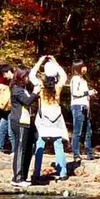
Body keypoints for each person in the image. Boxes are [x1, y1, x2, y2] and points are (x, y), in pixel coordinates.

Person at [31, 55, 69, 183]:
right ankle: (62, 172)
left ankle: (36, 173)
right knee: (58, 146)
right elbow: (64, 76)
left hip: (43, 119)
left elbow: (32, 75)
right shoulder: (58, 87)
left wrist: (40, 61)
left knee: (40, 146)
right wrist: (56, 62)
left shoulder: (40, 86)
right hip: (56, 118)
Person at [9, 63, 41, 187]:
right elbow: (27, 101)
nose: (28, 78)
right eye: (26, 76)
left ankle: (23, 176)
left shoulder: (23, 89)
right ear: (21, 76)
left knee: (29, 148)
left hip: (27, 122)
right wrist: (35, 92)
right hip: (19, 122)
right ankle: (17, 178)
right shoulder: (16, 89)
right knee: (20, 149)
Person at [70, 59, 97, 162]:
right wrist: (88, 92)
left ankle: (89, 153)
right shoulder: (75, 79)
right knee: (78, 131)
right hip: (78, 107)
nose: (85, 68)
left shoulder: (83, 80)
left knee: (87, 132)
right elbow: (75, 93)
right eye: (83, 66)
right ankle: (76, 154)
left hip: (85, 107)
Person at [0, 65, 16, 152]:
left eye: (4, 74)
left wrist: (5, 87)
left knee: (11, 132)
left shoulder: (16, 81)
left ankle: (15, 151)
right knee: (1, 129)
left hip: (13, 109)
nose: (4, 76)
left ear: (8, 72)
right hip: (7, 110)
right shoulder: (11, 82)